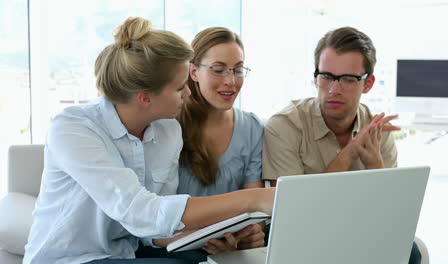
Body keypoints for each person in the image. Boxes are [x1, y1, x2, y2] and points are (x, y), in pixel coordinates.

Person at [23, 17, 274, 264]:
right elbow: (140, 212)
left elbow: (156, 229)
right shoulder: (73, 129)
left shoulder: (168, 131)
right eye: (179, 88)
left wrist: (218, 236)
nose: (188, 93)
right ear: (144, 98)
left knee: (204, 259)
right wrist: (252, 199)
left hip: (125, 254)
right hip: (70, 259)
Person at [262, 27, 421, 263]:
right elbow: (293, 215)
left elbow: (389, 217)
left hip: (358, 226)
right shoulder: (285, 125)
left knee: (410, 252)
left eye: (348, 79)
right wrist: (350, 152)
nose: (334, 89)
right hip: (301, 232)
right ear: (315, 77)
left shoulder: (377, 128)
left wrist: (376, 165)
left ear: (368, 84)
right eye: (326, 76)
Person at [176, 27, 265, 255]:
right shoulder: (170, 124)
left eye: (238, 70)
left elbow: (254, 210)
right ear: (193, 72)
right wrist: (208, 238)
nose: (230, 81)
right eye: (218, 70)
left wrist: (251, 234)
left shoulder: (252, 128)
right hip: (173, 250)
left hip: (228, 252)